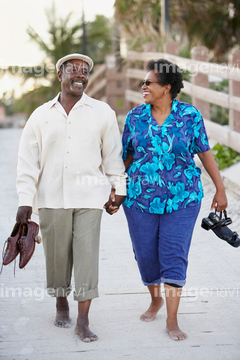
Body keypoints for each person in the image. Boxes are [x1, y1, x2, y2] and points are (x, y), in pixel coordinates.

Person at [16, 53, 126, 342]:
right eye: (73, 70)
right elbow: (27, 162)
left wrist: (119, 188)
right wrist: (25, 199)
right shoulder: (41, 115)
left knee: (87, 257)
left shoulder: (102, 112)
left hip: (90, 198)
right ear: (59, 76)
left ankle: (84, 320)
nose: (80, 75)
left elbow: (113, 155)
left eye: (84, 71)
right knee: (57, 257)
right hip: (51, 197)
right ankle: (61, 302)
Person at [121, 59, 228, 341]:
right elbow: (127, 156)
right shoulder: (135, 117)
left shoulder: (190, 116)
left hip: (182, 199)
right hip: (139, 200)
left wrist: (220, 188)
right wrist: (115, 188)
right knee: (145, 256)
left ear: (166, 88)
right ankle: (155, 298)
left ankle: (172, 319)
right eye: (142, 83)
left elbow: (205, 153)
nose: (143, 87)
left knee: (173, 255)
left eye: (148, 83)